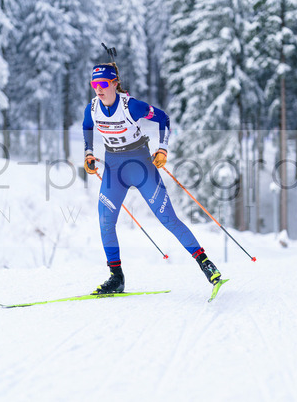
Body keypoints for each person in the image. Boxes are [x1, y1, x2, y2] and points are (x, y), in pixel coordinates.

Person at [82, 63, 223, 294]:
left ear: (115, 83)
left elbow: (163, 118)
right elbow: (87, 126)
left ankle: (205, 263)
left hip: (141, 166)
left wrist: (162, 148)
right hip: (114, 170)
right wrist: (88, 152)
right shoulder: (92, 108)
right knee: (105, 221)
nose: (98, 89)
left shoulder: (132, 106)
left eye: (103, 84)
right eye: (94, 84)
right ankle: (116, 277)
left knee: (168, 219)